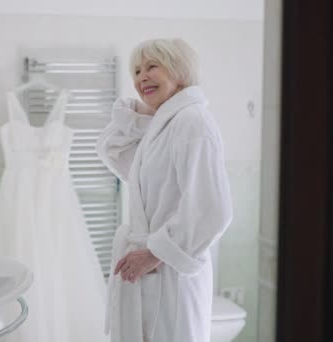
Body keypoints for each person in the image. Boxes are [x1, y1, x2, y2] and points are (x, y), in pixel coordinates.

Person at [96, 38, 233, 342]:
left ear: (179, 70)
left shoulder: (193, 122)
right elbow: (113, 151)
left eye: (151, 66)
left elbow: (212, 210)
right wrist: (144, 111)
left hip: (172, 276)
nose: (140, 76)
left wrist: (155, 253)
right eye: (136, 71)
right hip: (155, 273)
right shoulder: (166, 126)